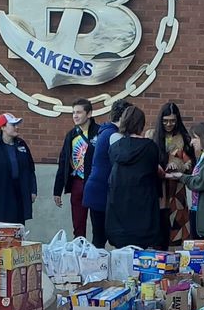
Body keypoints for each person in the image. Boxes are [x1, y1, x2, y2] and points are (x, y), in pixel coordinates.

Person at [106, 105, 162, 249]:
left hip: (118, 208)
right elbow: (154, 171)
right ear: (141, 124)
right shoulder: (150, 147)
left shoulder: (115, 147)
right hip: (143, 209)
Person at [83, 100, 131, 248]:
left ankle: (94, 267)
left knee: (98, 236)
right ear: (123, 116)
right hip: (103, 191)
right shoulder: (114, 136)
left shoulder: (104, 132)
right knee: (102, 237)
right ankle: (96, 267)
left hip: (95, 188)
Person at [0, 113, 37, 225]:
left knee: (18, 225)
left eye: (17, 124)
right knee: (1, 225)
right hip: (0, 192)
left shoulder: (21, 144)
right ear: (3, 127)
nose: (17, 127)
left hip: (20, 190)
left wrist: (33, 190)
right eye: (13, 125)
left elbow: (30, 170)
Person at [52, 99, 97, 239]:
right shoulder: (71, 135)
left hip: (95, 183)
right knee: (78, 223)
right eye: (73, 113)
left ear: (89, 114)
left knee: (98, 223)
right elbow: (63, 162)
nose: (75, 116)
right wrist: (57, 190)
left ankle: (97, 249)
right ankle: (79, 248)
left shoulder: (100, 132)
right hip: (77, 182)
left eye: (79, 112)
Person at [153, 102, 194, 247]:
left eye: (172, 120)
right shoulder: (152, 135)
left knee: (178, 226)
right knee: (158, 227)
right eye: (165, 121)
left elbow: (190, 165)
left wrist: (178, 165)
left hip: (177, 189)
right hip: (158, 187)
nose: (169, 124)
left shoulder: (183, 137)